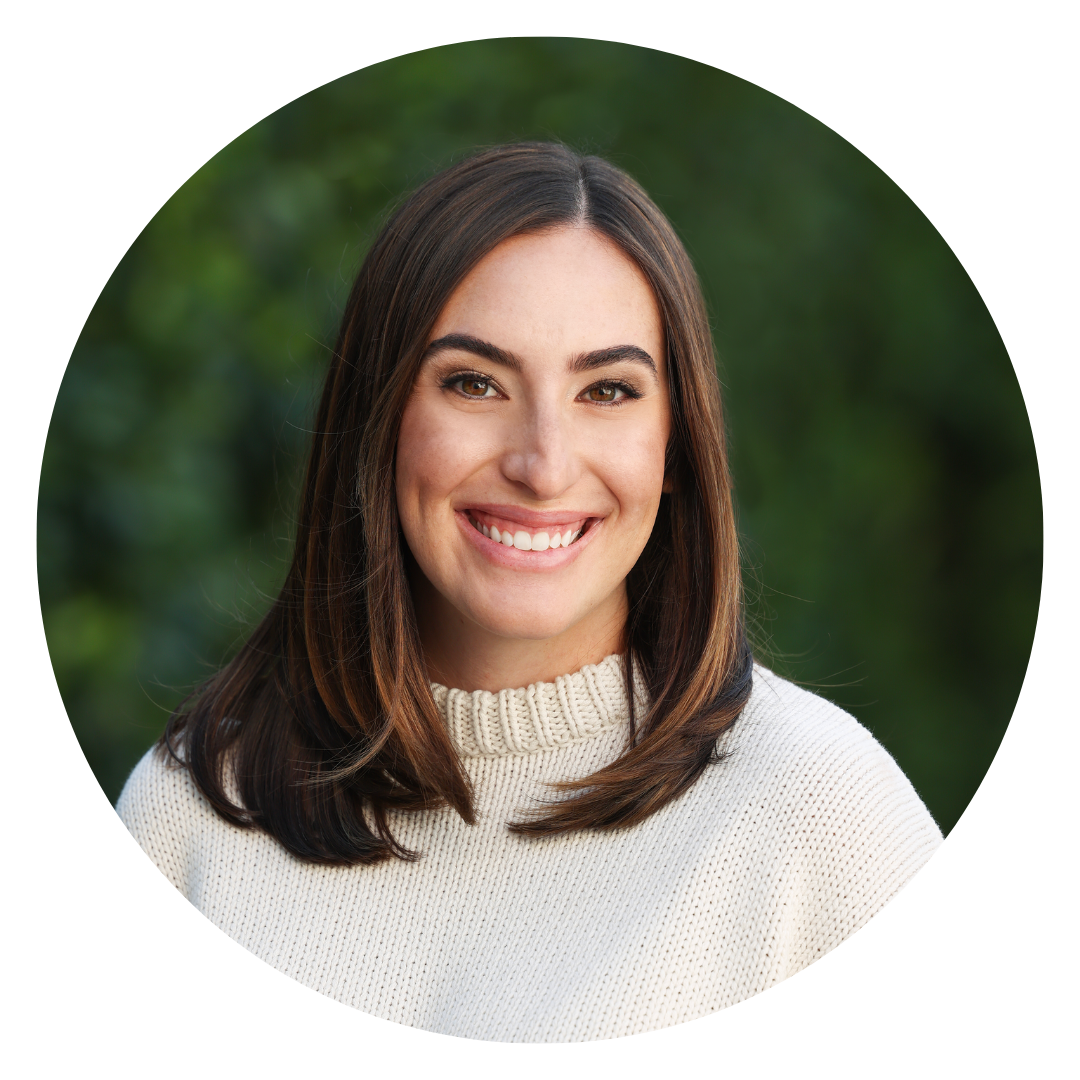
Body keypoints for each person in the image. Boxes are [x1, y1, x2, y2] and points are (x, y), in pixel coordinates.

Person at [117, 142, 942, 1042]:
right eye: (474, 383)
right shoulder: (196, 810)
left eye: (608, 390)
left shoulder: (817, 814)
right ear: (379, 420)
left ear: (676, 447)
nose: (542, 465)